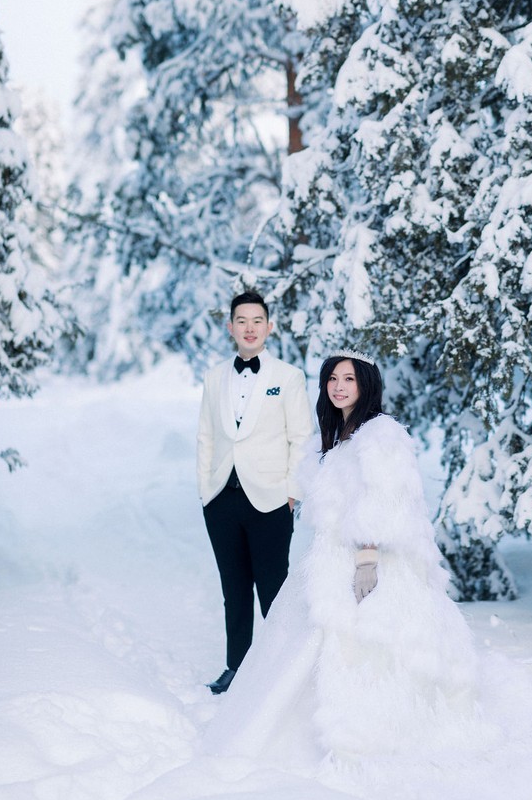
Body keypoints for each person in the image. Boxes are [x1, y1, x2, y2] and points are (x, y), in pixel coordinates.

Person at [206, 350, 477, 772]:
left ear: (366, 383)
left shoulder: (381, 435)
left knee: (362, 646)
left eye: (348, 379)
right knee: (300, 649)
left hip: (367, 560)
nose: (338, 386)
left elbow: (386, 501)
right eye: (332, 379)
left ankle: (368, 731)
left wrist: (367, 557)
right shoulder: (334, 435)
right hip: (328, 559)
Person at [196, 291, 314, 694]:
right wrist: (205, 493)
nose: (249, 328)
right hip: (222, 499)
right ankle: (237, 669)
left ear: (269, 326)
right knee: (234, 589)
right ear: (230, 328)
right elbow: (206, 437)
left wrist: (292, 493)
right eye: (241, 321)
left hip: (271, 500)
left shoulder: (287, 377)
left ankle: (282, 672)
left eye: (257, 320)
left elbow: (301, 438)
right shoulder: (214, 377)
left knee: (274, 589)